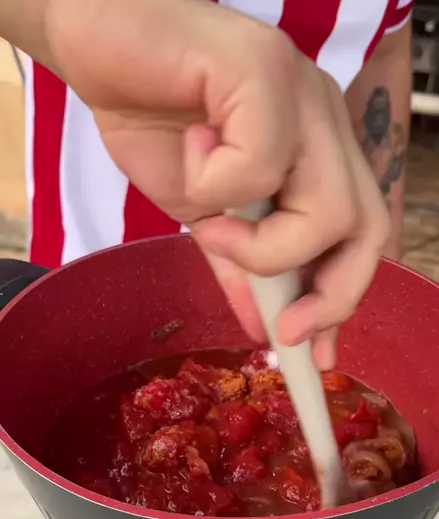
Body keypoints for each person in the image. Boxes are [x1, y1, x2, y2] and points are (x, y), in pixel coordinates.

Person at [1, 0, 413, 369]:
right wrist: (56, 14)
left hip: (297, 273)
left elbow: (384, 50)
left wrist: (376, 268)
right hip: (83, 262)